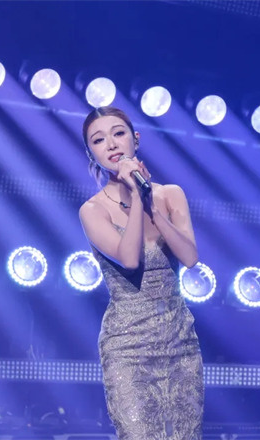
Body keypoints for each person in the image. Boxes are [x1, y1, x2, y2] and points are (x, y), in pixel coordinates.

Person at [79, 106, 203, 439]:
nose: (111, 144)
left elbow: (190, 257)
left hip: (179, 340)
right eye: (98, 140)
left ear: (135, 139)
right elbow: (130, 259)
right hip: (128, 346)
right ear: (91, 153)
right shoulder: (92, 210)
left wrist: (152, 208)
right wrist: (135, 197)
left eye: (118, 133)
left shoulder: (171, 195)